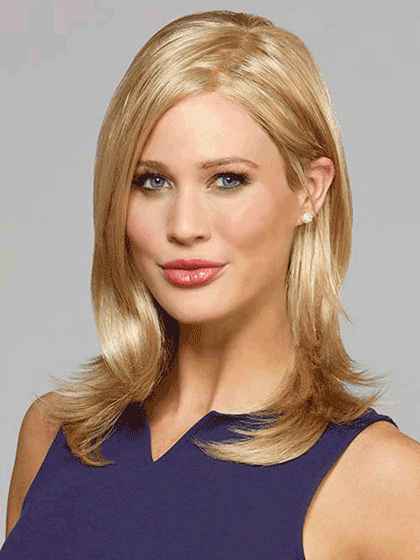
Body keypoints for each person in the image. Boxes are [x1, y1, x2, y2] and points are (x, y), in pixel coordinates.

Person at [2, 9, 420, 559]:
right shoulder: (55, 434)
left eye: (228, 179)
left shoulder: (384, 483)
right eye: (152, 181)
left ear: (310, 191)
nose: (184, 226)